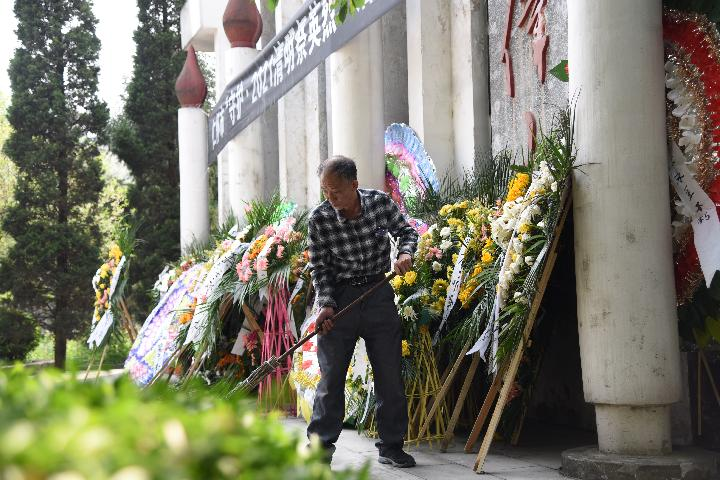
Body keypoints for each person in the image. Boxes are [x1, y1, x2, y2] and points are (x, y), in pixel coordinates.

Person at [306, 155, 419, 468]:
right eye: (326, 192)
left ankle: (391, 446)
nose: (331, 198)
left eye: (337, 191)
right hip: (340, 299)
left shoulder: (380, 204)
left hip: (378, 292)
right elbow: (320, 268)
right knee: (331, 379)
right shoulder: (320, 219)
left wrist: (406, 254)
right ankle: (320, 450)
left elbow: (407, 232)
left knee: (390, 374)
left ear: (354, 184)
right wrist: (326, 305)